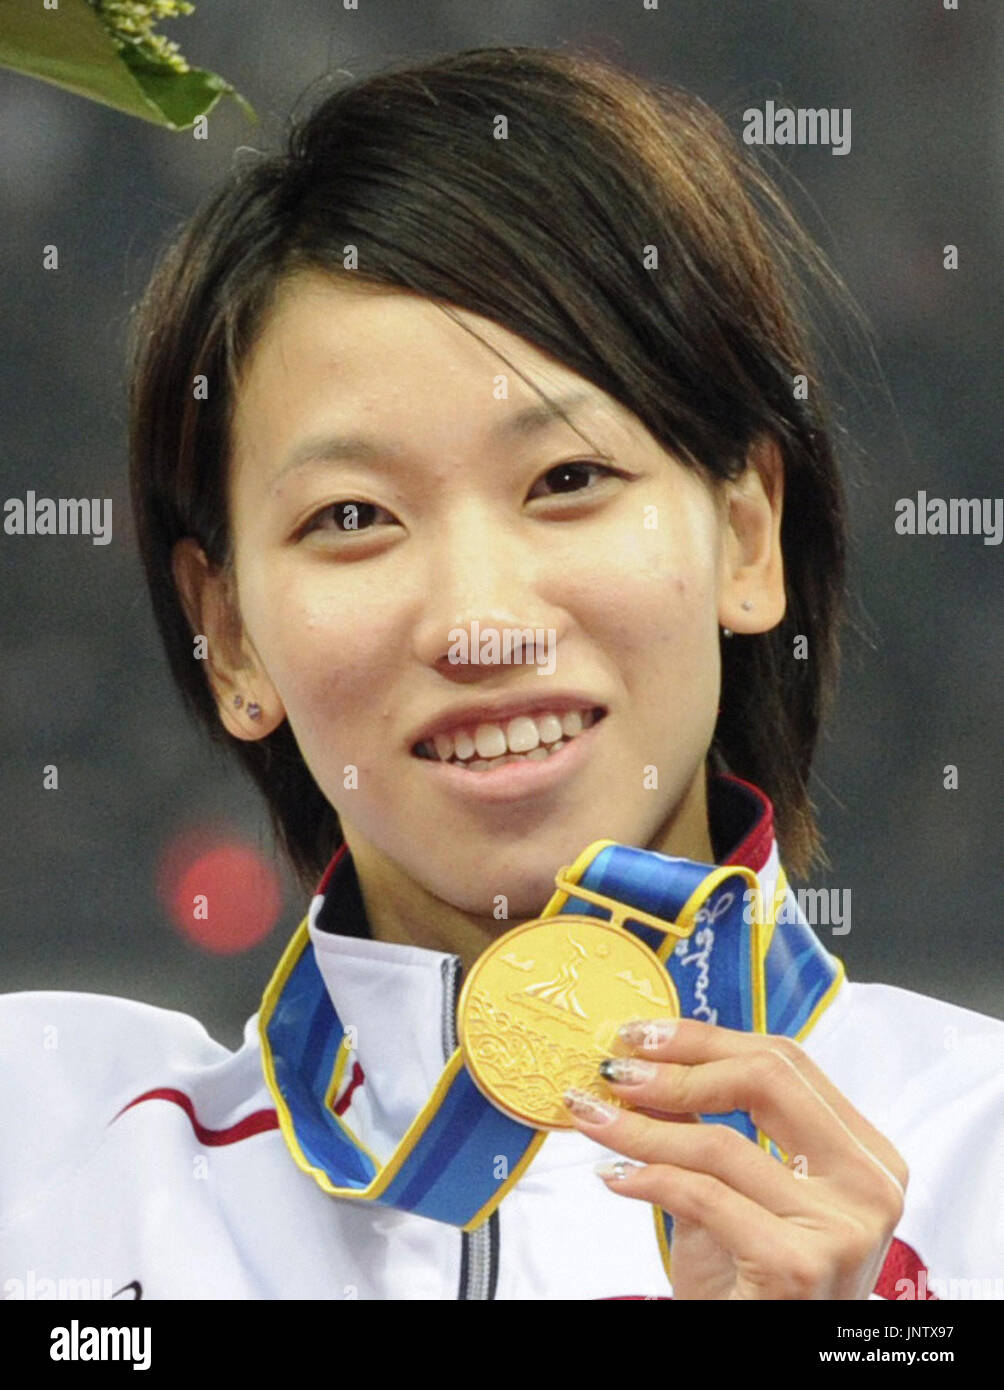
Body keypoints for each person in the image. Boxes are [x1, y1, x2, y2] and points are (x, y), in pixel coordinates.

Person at [2, 45, 1001, 1303]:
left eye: (567, 482)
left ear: (746, 534)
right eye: (353, 515)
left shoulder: (980, 1159)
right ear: (233, 638)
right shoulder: (52, 1171)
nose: (477, 623)